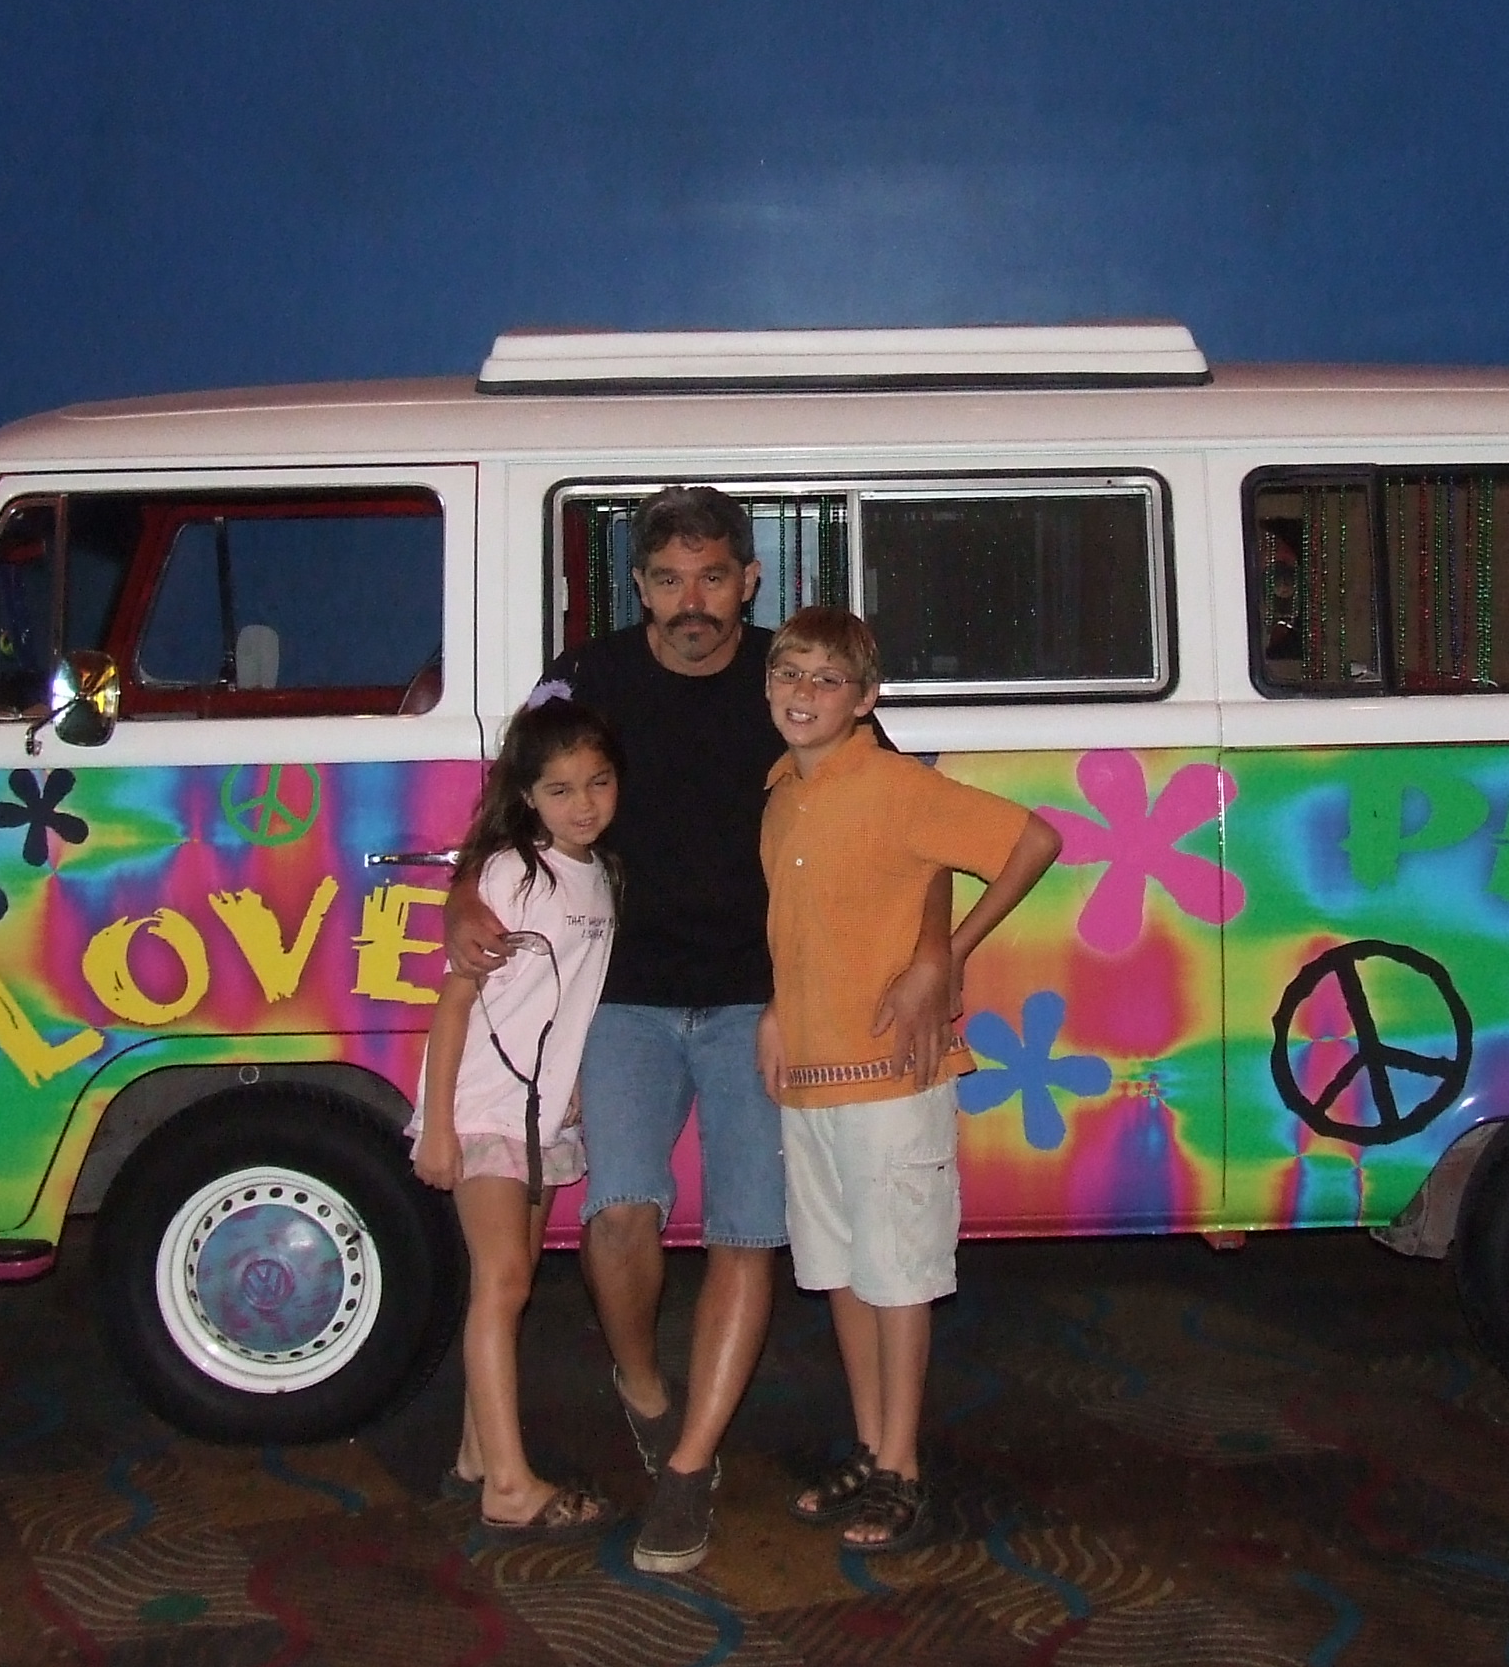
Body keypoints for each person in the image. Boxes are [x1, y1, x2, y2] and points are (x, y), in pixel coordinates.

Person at [446, 486, 955, 1574]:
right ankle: (642, 1384)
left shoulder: (793, 681)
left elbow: (917, 817)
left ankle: (688, 1467)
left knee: (746, 1235)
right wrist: (459, 898)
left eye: (714, 577)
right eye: (670, 580)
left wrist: (932, 957)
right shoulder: (586, 675)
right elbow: (508, 794)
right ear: (640, 586)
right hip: (623, 1002)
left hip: (757, 1011)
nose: (693, 601)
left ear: (749, 580)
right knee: (619, 1218)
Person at [754, 606, 1061, 1553]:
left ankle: (903, 1464)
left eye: (827, 680)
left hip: (891, 1076)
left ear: (865, 699)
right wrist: (775, 1011)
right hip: (810, 1076)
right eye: (789, 674)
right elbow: (797, 927)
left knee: (898, 1276)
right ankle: (869, 1443)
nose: (805, 694)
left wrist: (951, 954)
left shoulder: (894, 785)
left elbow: (1034, 842)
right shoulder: (779, 794)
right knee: (840, 1270)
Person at [410, 697, 622, 1537]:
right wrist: (437, 1125)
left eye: (598, 783)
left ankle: (475, 1455)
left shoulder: (598, 874)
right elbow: (456, 1002)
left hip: (541, 1117)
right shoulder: (512, 873)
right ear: (528, 796)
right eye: (561, 789)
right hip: (484, 1108)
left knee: (510, 1283)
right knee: (503, 1283)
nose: (583, 804)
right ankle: (507, 1485)